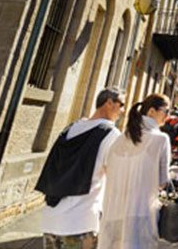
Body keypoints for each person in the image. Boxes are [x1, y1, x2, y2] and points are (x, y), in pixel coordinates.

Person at [36, 88, 124, 249]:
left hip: (51, 218)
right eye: (121, 104)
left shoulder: (71, 128)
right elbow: (117, 180)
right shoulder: (111, 134)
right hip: (81, 222)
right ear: (109, 103)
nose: (123, 110)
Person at [98, 93, 171, 249]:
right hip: (141, 214)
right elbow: (162, 182)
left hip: (113, 213)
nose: (168, 115)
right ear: (151, 111)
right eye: (166, 111)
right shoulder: (161, 139)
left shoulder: (119, 139)